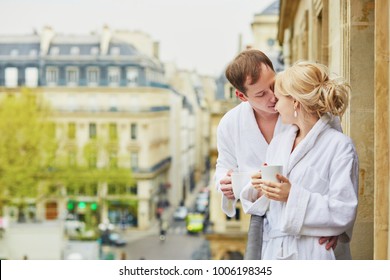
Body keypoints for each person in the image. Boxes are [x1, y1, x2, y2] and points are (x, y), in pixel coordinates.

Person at [215, 49, 339, 255]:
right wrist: (224, 184)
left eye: (273, 85)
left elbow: (337, 162)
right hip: (269, 227)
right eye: (261, 94)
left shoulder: (307, 104)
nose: (273, 97)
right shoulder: (230, 124)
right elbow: (223, 167)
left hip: (316, 225)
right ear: (241, 96)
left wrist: (333, 223)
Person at [240, 61, 359, 259]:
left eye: (278, 99)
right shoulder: (278, 144)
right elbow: (269, 205)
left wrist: (291, 195)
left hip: (313, 254)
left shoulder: (340, 147)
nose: (275, 106)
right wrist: (260, 188)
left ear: (295, 102)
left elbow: (344, 210)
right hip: (274, 251)